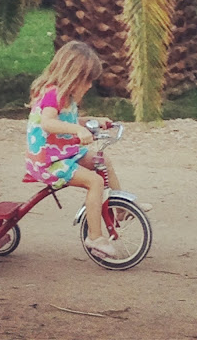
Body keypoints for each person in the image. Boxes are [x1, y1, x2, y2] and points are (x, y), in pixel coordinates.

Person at [25, 40, 127, 258]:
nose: (89, 86)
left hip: (63, 154)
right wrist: (78, 130)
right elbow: (48, 123)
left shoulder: (66, 97)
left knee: (103, 161)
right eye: (87, 80)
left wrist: (92, 121)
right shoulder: (52, 95)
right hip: (48, 162)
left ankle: (120, 207)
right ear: (73, 76)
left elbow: (68, 121)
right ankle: (95, 238)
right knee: (95, 182)